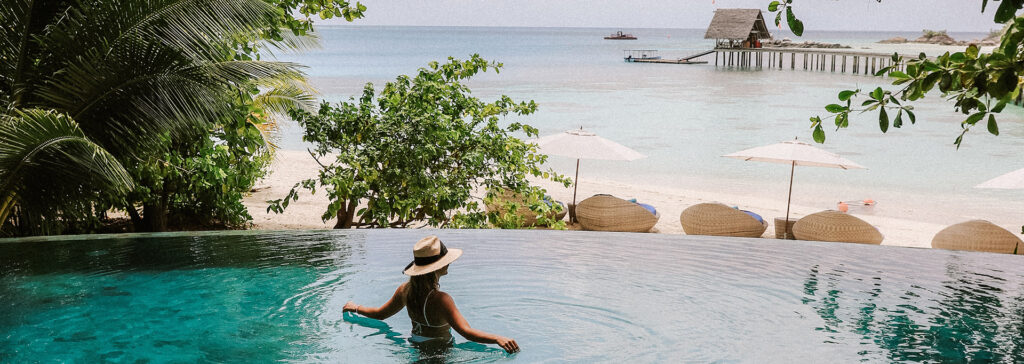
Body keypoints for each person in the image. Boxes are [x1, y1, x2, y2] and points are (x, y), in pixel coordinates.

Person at [343, 236, 520, 354]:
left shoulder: (405, 290)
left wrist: (356, 308)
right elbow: (466, 332)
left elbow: (380, 314)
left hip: (414, 347)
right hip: (440, 353)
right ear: (437, 267)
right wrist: (498, 338)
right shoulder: (442, 299)